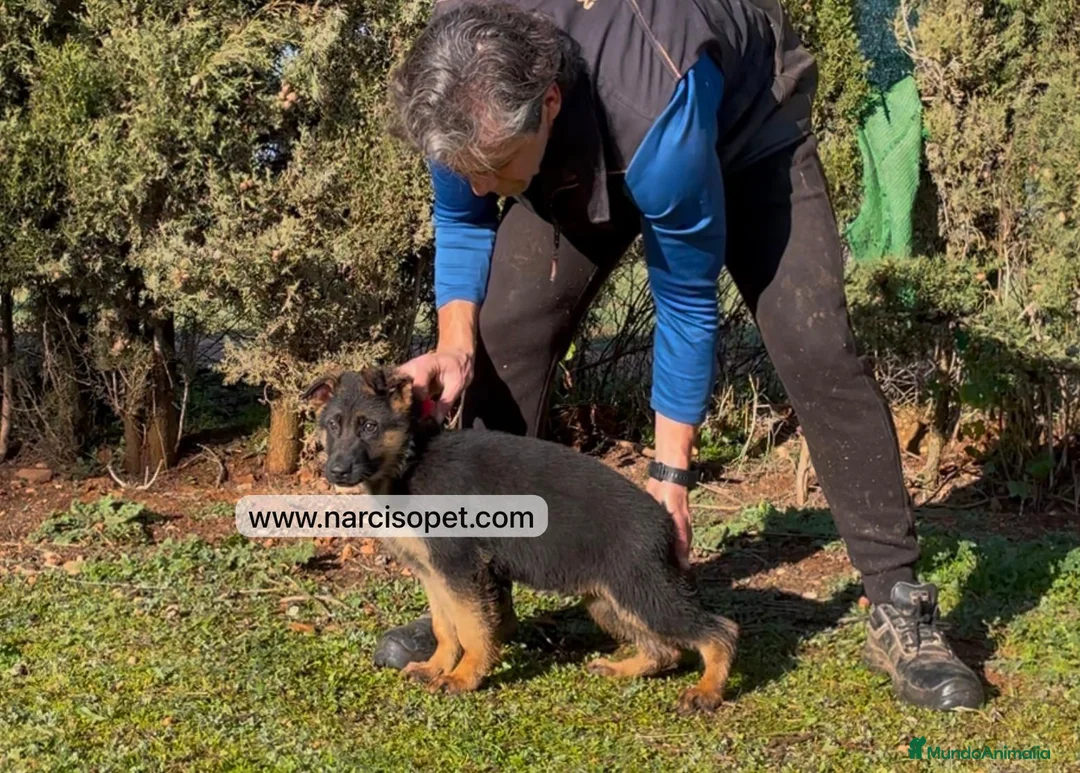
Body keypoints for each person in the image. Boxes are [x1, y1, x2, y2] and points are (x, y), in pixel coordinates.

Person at [379, 0, 985, 710]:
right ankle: (480, 584)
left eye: (491, 168)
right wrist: (455, 347)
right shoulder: (456, 73)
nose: (480, 184)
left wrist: (670, 476)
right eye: (467, 168)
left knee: (815, 348)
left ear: (546, 104)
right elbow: (462, 215)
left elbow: (686, 300)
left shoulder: (653, 96)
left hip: (741, 132)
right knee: (505, 332)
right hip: (581, 138)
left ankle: (899, 603)